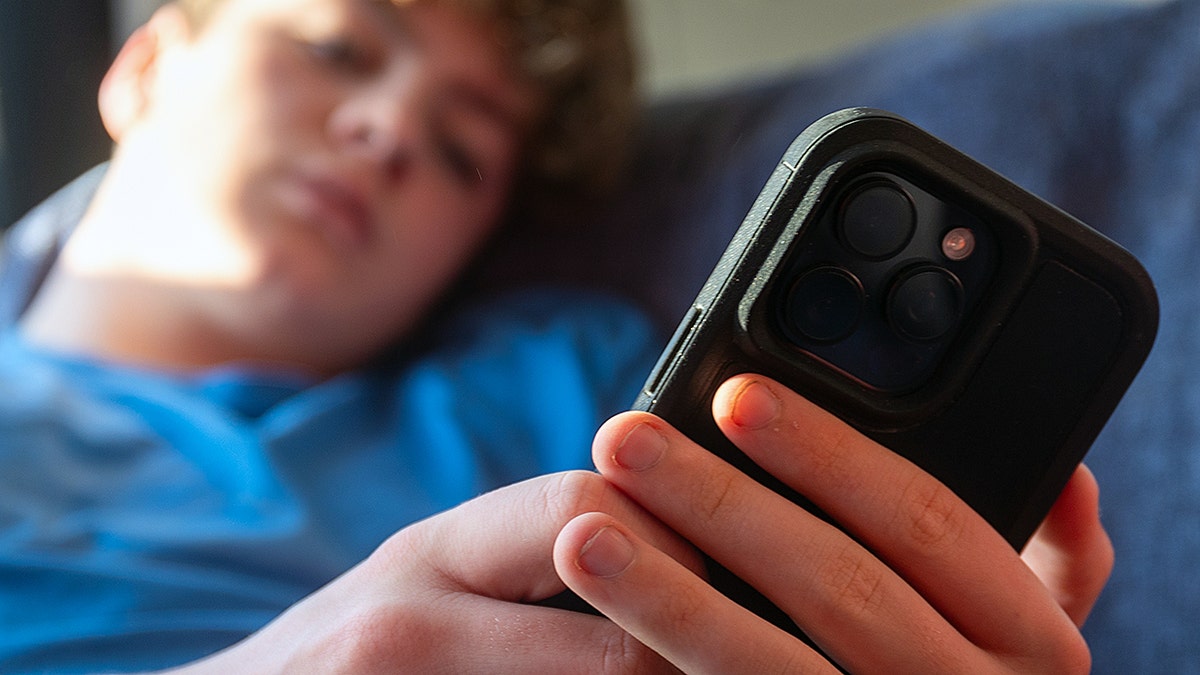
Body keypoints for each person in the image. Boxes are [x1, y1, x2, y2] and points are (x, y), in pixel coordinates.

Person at [0, 0, 1113, 672]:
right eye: (339, 46)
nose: (388, 131)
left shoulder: (558, 379)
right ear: (144, 66)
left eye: (461, 153)